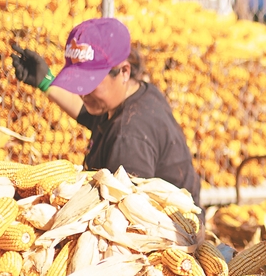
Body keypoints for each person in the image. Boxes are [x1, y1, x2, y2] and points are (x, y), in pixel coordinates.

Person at [11, 17, 204, 218]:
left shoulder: (129, 138)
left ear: (124, 72)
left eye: (89, 84)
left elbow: (120, 219)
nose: (82, 93)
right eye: (78, 83)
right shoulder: (138, 95)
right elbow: (88, 114)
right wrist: (45, 82)